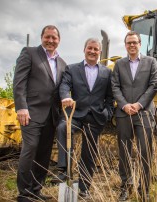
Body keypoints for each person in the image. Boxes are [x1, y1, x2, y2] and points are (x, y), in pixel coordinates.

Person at [13, 25, 67, 201]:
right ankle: (24, 193)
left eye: (54, 38)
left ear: (59, 40)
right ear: (42, 37)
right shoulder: (29, 53)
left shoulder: (62, 63)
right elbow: (19, 82)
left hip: (51, 115)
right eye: (48, 37)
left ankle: (36, 190)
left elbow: (60, 89)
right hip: (31, 112)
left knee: (44, 154)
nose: (51, 41)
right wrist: (21, 107)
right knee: (30, 150)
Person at [55, 38, 114, 199]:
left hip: (95, 117)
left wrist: (107, 112)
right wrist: (66, 97)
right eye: (90, 48)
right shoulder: (72, 69)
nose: (93, 51)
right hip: (76, 114)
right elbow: (65, 85)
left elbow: (110, 96)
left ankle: (84, 188)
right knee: (62, 128)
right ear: (84, 49)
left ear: (100, 52)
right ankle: (64, 168)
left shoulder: (107, 72)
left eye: (96, 49)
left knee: (89, 155)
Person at [111, 31, 157, 201]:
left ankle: (144, 188)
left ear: (140, 44)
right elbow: (115, 86)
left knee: (145, 152)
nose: (131, 45)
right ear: (125, 45)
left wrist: (138, 105)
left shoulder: (151, 62)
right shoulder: (119, 64)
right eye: (128, 43)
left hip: (144, 113)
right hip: (124, 114)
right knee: (124, 151)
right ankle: (126, 186)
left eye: (134, 42)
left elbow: (154, 86)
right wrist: (124, 105)